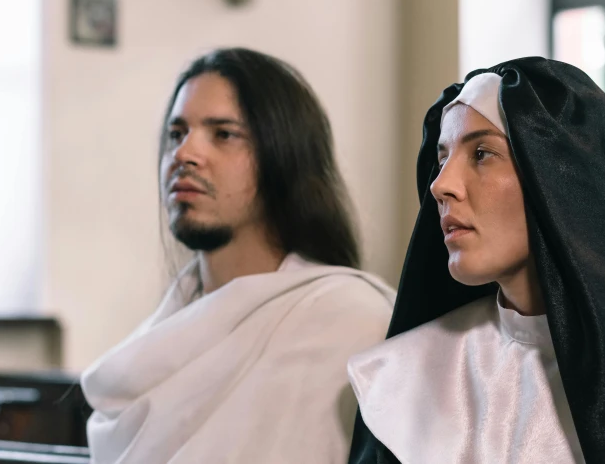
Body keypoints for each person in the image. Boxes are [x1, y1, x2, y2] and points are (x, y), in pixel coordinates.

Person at [347, 58, 605, 463]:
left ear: (558, 178)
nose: (440, 185)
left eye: (482, 154)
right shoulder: (399, 384)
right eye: (441, 159)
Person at [81, 48, 395, 464]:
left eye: (223, 134)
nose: (185, 154)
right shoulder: (165, 333)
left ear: (283, 156)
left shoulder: (347, 319)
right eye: (177, 134)